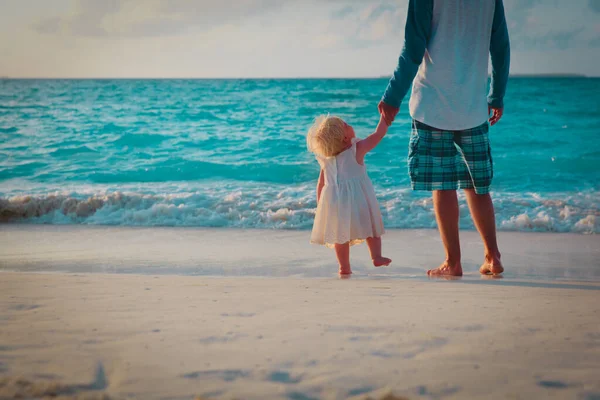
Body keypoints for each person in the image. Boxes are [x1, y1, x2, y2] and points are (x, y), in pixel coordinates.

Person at [378, 0, 510, 277]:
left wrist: (393, 96)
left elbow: (413, 49)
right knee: (478, 187)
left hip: (433, 105)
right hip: (473, 106)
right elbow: (500, 47)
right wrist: (496, 94)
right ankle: (493, 256)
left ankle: (453, 262)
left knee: (443, 185)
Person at [307, 115, 392, 276]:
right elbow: (377, 135)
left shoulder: (327, 160)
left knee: (340, 236)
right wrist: (384, 119)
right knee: (371, 228)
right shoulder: (356, 150)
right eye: (346, 124)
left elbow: (321, 184)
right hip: (359, 200)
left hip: (335, 203)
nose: (350, 124)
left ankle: (344, 267)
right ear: (345, 138)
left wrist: (321, 206)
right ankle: (376, 256)